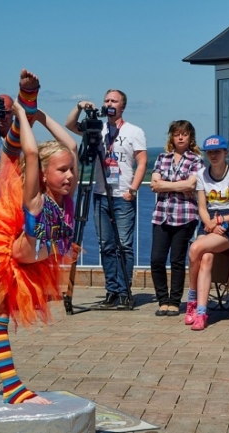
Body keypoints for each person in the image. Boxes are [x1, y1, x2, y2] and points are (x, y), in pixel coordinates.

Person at [0, 69, 79, 404]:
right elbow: (32, 155)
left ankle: (28, 95)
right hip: (2, 257)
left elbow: (72, 145)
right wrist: (22, 112)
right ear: (45, 176)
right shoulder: (35, 198)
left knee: (9, 156)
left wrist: (42, 115)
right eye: (61, 171)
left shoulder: (67, 196)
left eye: (70, 171)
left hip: (36, 261)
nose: (68, 176)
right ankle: (13, 387)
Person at [65, 91, 147, 309]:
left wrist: (133, 189)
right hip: (101, 194)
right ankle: (111, 291)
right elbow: (70, 124)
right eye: (107, 100)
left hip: (122, 195)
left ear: (123, 106)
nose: (109, 104)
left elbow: (142, 162)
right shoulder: (96, 129)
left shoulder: (134, 132)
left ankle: (124, 290)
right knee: (106, 245)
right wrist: (80, 106)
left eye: (114, 101)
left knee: (124, 246)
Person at [186, 135, 229, 331]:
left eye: (217, 152)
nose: (213, 156)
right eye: (210, 152)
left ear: (225, 153)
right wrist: (210, 224)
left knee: (195, 248)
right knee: (205, 258)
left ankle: (191, 297)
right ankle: (201, 311)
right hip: (208, 224)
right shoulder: (202, 175)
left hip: (228, 225)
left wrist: (221, 221)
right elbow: (202, 208)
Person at [150, 120, 204, 316]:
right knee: (156, 260)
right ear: (171, 137)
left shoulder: (196, 160)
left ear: (191, 137)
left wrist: (165, 185)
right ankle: (162, 300)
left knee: (177, 261)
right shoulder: (162, 157)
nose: (180, 137)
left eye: (184, 134)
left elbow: (191, 185)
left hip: (185, 216)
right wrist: (177, 185)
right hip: (161, 216)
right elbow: (154, 184)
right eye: (176, 134)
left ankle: (174, 302)